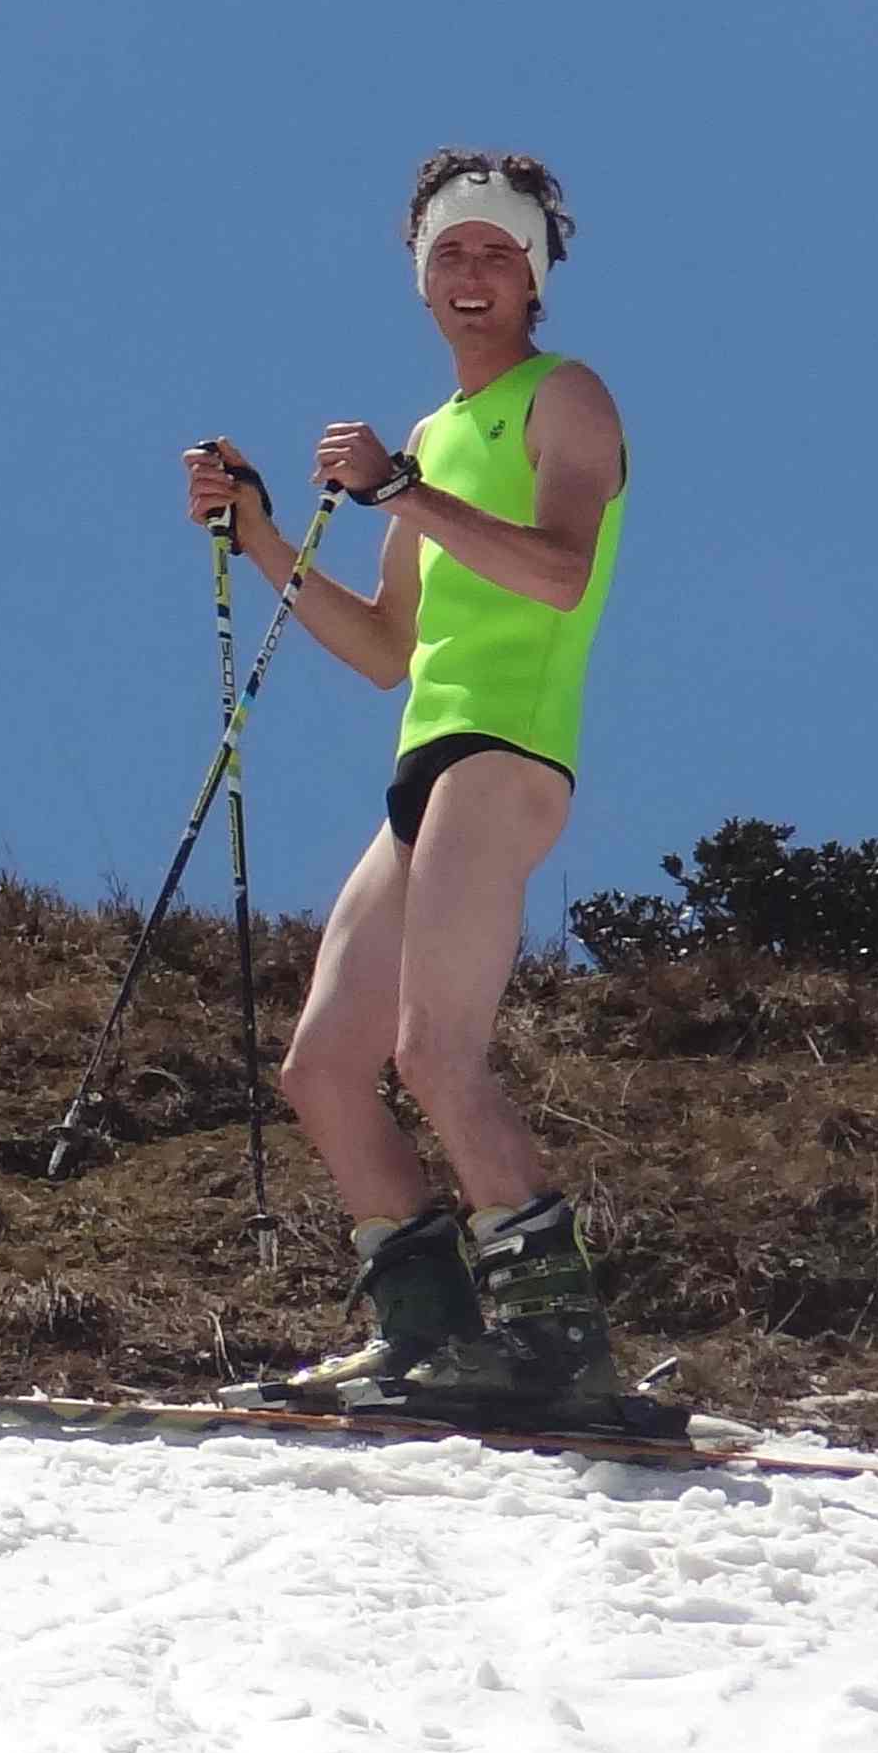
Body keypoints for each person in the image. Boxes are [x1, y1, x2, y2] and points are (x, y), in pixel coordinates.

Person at [179, 150, 679, 1436]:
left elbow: (561, 570)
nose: (472, 273)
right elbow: (387, 649)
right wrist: (263, 531)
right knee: (322, 1067)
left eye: (499, 253)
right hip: (429, 753)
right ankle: (429, 1335)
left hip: (506, 750)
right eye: (450, 251)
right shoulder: (433, 436)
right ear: (419, 274)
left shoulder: (565, 397)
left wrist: (405, 494)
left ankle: (559, 1347)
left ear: (536, 278)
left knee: (436, 1051)